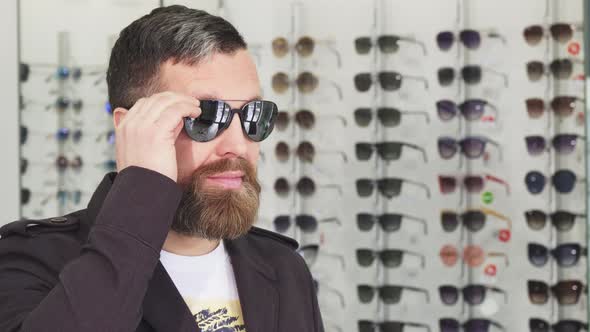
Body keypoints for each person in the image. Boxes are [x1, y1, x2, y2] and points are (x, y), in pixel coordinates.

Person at [0, 5, 324, 332]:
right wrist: (142, 184)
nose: (238, 146)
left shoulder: (284, 270)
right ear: (131, 127)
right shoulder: (31, 261)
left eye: (254, 115)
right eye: (205, 118)